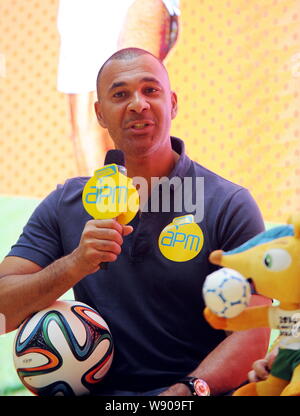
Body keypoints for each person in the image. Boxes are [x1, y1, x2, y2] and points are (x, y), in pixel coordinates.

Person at [0, 47, 270, 396]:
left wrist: (184, 392)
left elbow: (253, 332)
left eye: (150, 90)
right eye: (120, 94)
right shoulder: (64, 204)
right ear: (100, 113)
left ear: (172, 103)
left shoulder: (228, 204)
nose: (137, 104)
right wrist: (74, 265)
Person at [57, 0, 180, 176]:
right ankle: (108, 202)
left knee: (135, 122)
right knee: (90, 128)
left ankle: (152, 201)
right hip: (81, 11)